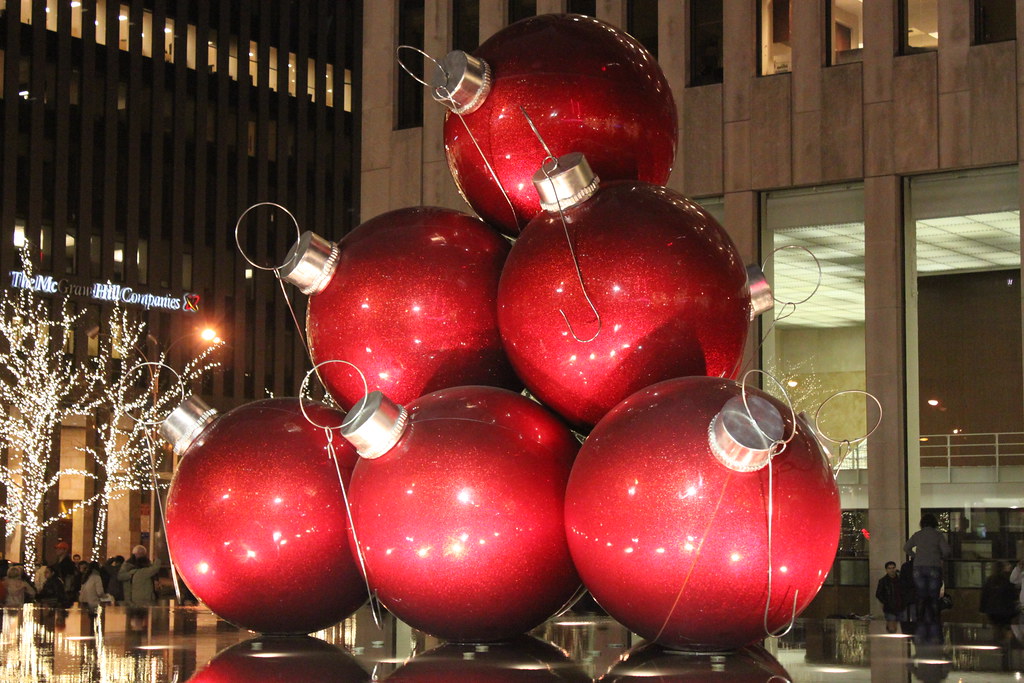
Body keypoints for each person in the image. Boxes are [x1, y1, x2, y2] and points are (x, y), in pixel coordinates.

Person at [903, 513, 951, 627]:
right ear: (935, 523)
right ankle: (934, 620)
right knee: (933, 596)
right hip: (934, 566)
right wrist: (939, 556)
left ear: (922, 523)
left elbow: (906, 547)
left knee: (921, 595)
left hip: (918, 568)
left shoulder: (918, 535)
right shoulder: (938, 535)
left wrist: (916, 556)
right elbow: (946, 551)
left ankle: (920, 620)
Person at [980, 561, 1018, 629]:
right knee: (1005, 628)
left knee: (996, 628)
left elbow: (985, 596)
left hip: (992, 610)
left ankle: (997, 638)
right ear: (1003, 568)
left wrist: (982, 609)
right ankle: (1002, 638)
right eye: (1007, 565)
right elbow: (1012, 595)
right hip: (1006, 611)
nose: (1009, 566)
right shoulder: (1008, 579)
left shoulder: (990, 580)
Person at [875, 560, 904, 633]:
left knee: (901, 627)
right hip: (889, 609)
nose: (892, 570)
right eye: (889, 568)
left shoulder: (901, 580)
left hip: (901, 607)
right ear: (886, 570)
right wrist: (886, 602)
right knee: (892, 624)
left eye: (893, 568)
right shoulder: (883, 581)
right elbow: (878, 594)